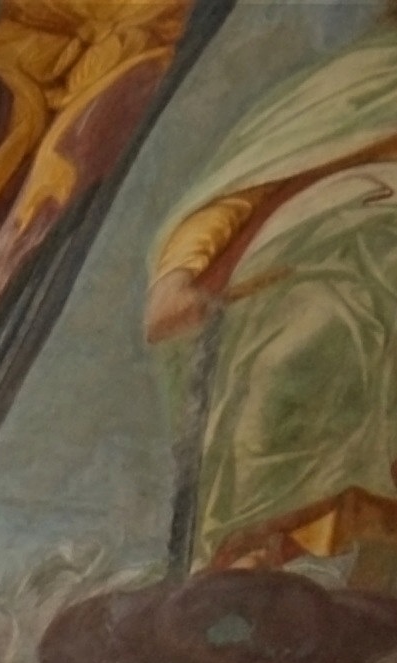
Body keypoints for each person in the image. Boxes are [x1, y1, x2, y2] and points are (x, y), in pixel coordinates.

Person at [145, 10, 397, 578]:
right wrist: (180, 274)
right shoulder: (357, 79)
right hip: (317, 260)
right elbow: (240, 185)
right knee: (299, 351)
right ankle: (254, 559)